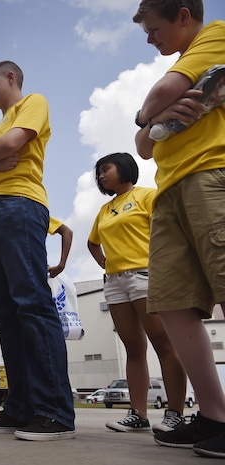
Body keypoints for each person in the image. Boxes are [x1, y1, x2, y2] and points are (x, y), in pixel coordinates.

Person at [0, 60, 75, 441]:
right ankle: (21, 407)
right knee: (4, 313)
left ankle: (54, 411)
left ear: (11, 78)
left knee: (32, 303)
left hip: (20, 205)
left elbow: (11, 146)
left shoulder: (33, 104)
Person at [133, 0, 225, 457]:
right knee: (171, 303)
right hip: (168, 188)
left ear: (184, 15)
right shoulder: (188, 61)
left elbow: (154, 101)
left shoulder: (216, 34)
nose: (150, 39)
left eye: (153, 29)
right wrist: (154, 121)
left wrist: (152, 115)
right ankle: (214, 416)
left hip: (213, 172)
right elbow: (143, 148)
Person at [87, 152, 187, 434]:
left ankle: (175, 413)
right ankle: (138, 414)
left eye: (106, 169)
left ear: (124, 167)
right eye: (99, 173)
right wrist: (104, 263)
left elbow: (170, 227)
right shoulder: (105, 210)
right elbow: (93, 243)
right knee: (133, 348)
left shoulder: (147, 196)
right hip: (115, 281)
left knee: (164, 343)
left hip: (145, 274)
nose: (102, 176)